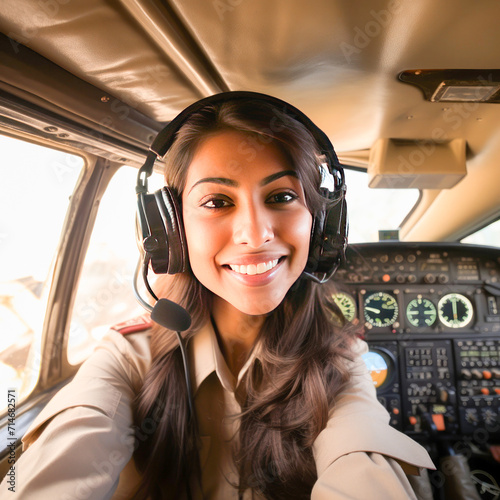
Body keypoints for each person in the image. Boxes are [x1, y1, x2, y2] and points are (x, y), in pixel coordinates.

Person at [1, 92, 434, 500]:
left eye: (282, 196)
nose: (255, 234)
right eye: (217, 202)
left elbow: (361, 462)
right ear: (170, 230)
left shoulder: (340, 362)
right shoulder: (127, 360)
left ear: (322, 227)